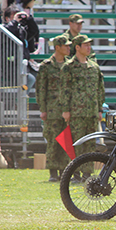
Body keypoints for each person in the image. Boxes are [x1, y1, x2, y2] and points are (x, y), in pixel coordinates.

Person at [60, 35, 105, 181]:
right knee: (76, 144)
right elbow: (64, 89)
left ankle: (87, 173)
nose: (89, 47)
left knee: (90, 145)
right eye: (85, 45)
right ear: (77, 47)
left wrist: (99, 110)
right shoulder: (69, 67)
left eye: (89, 45)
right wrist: (66, 110)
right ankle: (75, 173)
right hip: (76, 112)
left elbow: (100, 89)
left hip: (91, 112)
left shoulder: (94, 67)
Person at [36, 35, 72, 182]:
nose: (69, 48)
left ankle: (64, 170)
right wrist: (43, 109)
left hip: (67, 109)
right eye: (66, 46)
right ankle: (52, 172)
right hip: (52, 109)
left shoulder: (70, 65)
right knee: (52, 140)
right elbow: (40, 89)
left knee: (66, 140)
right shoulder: (46, 66)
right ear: (57, 47)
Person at [4, 8, 36, 92]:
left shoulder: (21, 30)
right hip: (11, 66)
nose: (18, 18)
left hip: (23, 65)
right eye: (14, 15)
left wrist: (29, 19)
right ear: (7, 18)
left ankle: (21, 101)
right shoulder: (3, 28)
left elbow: (34, 32)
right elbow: (8, 33)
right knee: (30, 79)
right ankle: (20, 101)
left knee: (35, 77)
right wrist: (14, 21)